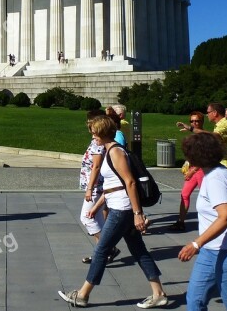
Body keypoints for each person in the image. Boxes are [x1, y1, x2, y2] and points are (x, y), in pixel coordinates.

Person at [58, 115, 168, 309]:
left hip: (122, 209)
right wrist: (97, 206)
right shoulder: (109, 150)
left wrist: (137, 213)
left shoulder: (116, 152)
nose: (93, 137)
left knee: (101, 250)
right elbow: (111, 186)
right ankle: (158, 293)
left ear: (103, 133)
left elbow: (130, 182)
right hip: (119, 205)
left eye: (94, 133)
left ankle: (82, 295)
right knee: (138, 250)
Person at [178, 132, 227, 311]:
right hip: (211, 251)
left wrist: (195, 244)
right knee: (194, 300)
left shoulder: (216, 178)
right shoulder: (216, 173)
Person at [80, 110, 121, 264]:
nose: (91, 131)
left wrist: (90, 188)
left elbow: (96, 166)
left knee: (87, 217)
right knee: (98, 220)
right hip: (97, 186)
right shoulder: (97, 141)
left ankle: (108, 248)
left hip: (97, 186)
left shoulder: (99, 144)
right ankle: (100, 254)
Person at [171, 112, 206, 231]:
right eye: (192, 121)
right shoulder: (193, 136)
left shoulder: (204, 136)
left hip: (201, 170)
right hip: (192, 169)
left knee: (206, 196)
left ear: (202, 122)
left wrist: (193, 170)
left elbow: (204, 157)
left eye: (197, 121)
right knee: (184, 194)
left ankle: (210, 221)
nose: (194, 123)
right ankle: (181, 221)